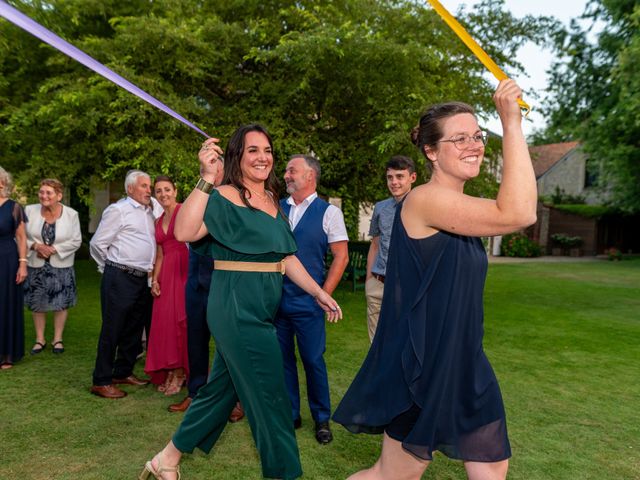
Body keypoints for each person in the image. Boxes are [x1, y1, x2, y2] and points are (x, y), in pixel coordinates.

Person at [333, 80, 537, 480]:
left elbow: (514, 206)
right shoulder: (425, 200)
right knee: (393, 475)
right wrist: (511, 124)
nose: (474, 145)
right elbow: (519, 212)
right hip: (423, 365)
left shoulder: (461, 207)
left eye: (477, 136)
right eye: (458, 139)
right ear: (430, 151)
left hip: (464, 360)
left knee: (492, 462)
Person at [140, 124, 342, 480]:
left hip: (263, 310)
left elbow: (286, 258)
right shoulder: (223, 196)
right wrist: (206, 178)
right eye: (253, 150)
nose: (262, 157)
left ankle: (167, 459)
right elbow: (184, 232)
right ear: (237, 156)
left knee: (221, 390)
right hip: (235, 308)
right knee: (271, 399)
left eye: (267, 150)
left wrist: (319, 292)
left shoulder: (273, 201)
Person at [275, 154, 349, 444]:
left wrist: (324, 295)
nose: (286, 175)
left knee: (312, 360)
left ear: (310, 176)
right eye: (286, 171)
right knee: (282, 360)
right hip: (276, 300)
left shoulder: (328, 212)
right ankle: (292, 412)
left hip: (309, 302)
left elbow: (340, 256)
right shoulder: (276, 208)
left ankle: (321, 418)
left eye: (292, 171)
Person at [166, 163, 245, 423]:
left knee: (228, 344)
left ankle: (234, 399)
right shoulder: (198, 195)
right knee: (196, 342)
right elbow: (183, 231)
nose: (209, 171)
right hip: (195, 283)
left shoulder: (233, 199)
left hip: (222, 282)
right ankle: (195, 392)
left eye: (214, 167)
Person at [89, 170, 156, 399]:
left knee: (134, 329)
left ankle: (123, 372)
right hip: (120, 275)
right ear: (130, 189)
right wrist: (108, 268)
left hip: (142, 278)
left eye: (150, 186)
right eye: (144, 186)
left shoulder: (151, 210)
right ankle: (101, 380)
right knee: (113, 328)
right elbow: (98, 244)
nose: (149, 190)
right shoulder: (119, 210)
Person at [24, 179, 82, 355]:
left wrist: (54, 249)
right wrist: (35, 246)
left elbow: (76, 240)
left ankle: (58, 339)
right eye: (41, 192)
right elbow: (19, 236)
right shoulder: (28, 211)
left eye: (49, 193)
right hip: (36, 263)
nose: (44, 196)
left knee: (61, 302)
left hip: (62, 264)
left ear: (59, 195)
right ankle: (39, 339)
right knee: (37, 302)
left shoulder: (72, 214)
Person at [144, 176, 189, 396]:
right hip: (166, 274)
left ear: (175, 190)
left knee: (180, 324)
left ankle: (180, 372)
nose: (163, 194)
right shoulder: (157, 220)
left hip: (183, 270)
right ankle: (171, 370)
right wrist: (154, 279)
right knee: (165, 325)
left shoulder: (185, 210)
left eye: (167, 189)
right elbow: (160, 254)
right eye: (159, 191)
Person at [365, 155, 416, 342]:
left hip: (407, 287)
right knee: (375, 346)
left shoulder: (424, 208)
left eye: (400, 176)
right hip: (378, 284)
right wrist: (369, 280)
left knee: (403, 343)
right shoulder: (380, 208)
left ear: (412, 178)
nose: (394, 182)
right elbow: (375, 244)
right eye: (390, 177)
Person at [0, 167, 28, 370]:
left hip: (7, 260)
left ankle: (6, 354)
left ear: (2, 183)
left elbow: (21, 237)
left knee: (6, 303)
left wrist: (23, 264)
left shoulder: (14, 207)